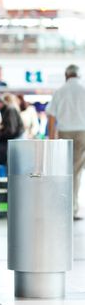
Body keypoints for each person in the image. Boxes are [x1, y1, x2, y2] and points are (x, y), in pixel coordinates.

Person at [47, 64, 85, 220]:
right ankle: (71, 208)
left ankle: (65, 207)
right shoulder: (83, 89)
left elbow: (51, 116)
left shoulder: (60, 91)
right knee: (76, 171)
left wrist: (51, 138)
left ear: (66, 75)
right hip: (82, 132)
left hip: (65, 132)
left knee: (64, 170)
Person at [0, 93, 25, 166]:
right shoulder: (9, 109)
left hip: (15, 140)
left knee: (13, 165)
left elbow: (11, 130)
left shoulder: (10, 109)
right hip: (16, 140)